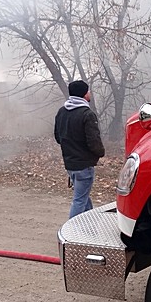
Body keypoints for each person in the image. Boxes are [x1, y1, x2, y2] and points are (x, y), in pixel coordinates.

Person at [54, 80, 106, 218]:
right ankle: (71, 232)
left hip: (70, 164)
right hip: (84, 166)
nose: (89, 93)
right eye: (88, 91)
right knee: (79, 201)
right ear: (84, 94)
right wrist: (100, 152)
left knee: (83, 196)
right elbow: (93, 141)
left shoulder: (62, 112)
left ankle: (89, 223)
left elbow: (58, 137)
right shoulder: (87, 114)